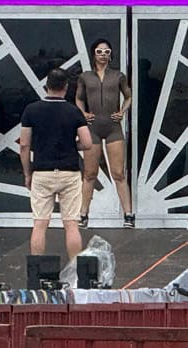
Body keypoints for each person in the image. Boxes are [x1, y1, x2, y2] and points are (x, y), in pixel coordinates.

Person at [20, 68, 92, 260]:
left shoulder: (31, 110)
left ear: (46, 87)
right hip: (69, 171)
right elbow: (86, 143)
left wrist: (28, 174)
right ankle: (75, 272)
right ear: (66, 87)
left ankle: (37, 271)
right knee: (71, 225)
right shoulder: (74, 111)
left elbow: (25, 145)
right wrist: (72, 144)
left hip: (42, 172)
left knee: (40, 224)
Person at [76, 39, 134, 228]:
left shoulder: (118, 76)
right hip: (93, 127)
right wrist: (83, 113)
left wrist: (122, 111)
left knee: (118, 173)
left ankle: (128, 214)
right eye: (100, 51)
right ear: (94, 54)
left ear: (111, 54)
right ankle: (83, 214)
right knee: (90, 173)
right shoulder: (85, 77)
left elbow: (129, 95)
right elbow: (78, 98)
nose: (103, 55)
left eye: (107, 51)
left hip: (113, 128)